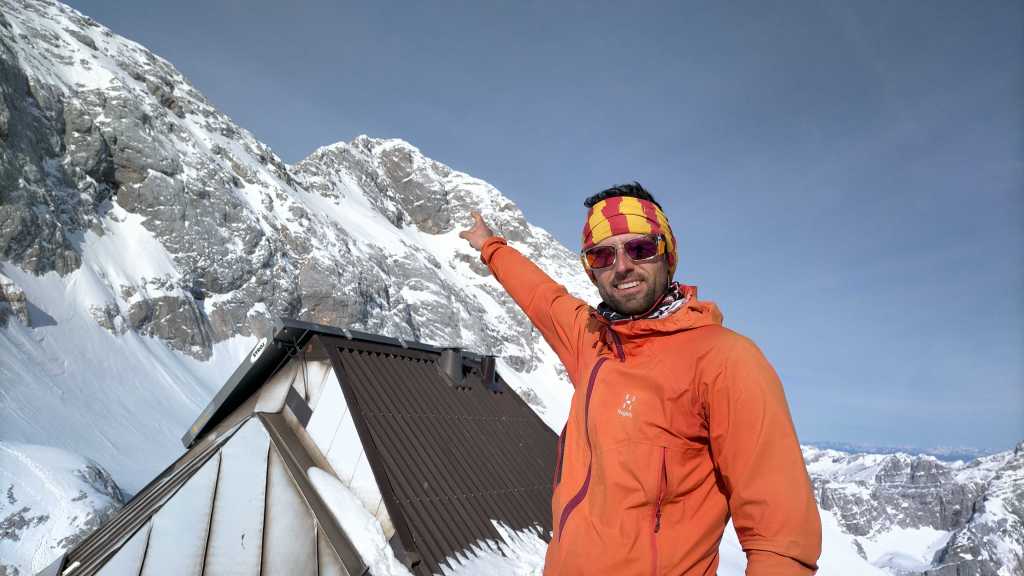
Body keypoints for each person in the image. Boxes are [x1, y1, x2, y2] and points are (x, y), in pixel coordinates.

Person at [459, 183, 821, 575]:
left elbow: (781, 539)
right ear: (591, 270)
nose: (622, 266)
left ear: (668, 254)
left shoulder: (725, 360)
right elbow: (542, 296)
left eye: (640, 248)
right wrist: (490, 246)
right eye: (603, 255)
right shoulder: (592, 342)